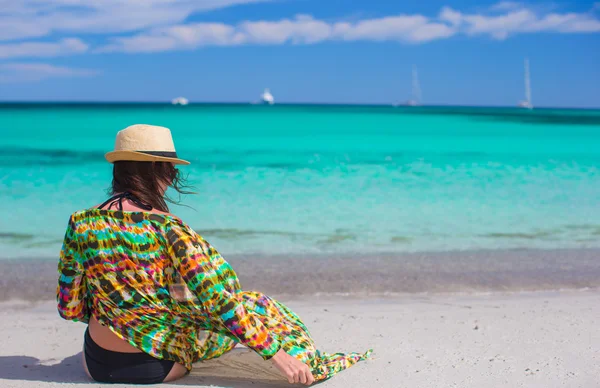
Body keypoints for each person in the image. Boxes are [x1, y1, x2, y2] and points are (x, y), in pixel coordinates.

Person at [57, 124, 371, 385]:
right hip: (154, 368)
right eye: (170, 170)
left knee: (180, 303)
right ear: (158, 170)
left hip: (96, 362)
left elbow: (69, 308)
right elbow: (221, 301)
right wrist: (277, 354)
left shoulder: (81, 223)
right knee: (255, 305)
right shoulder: (169, 229)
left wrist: (125, 308)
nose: (170, 180)